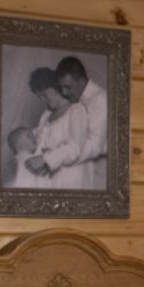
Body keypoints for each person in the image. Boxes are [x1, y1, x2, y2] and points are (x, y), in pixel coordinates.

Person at [24, 65, 90, 190]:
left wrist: (45, 159)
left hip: (68, 178)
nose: (43, 101)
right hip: (47, 177)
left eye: (45, 95)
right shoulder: (46, 114)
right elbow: (39, 138)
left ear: (57, 88)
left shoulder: (76, 111)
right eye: (39, 97)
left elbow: (74, 149)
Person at [55, 55, 108, 188]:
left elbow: (95, 145)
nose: (64, 92)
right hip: (80, 169)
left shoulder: (100, 99)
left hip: (100, 171)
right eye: (61, 87)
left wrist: (57, 157)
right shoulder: (76, 99)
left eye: (68, 87)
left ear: (82, 81)